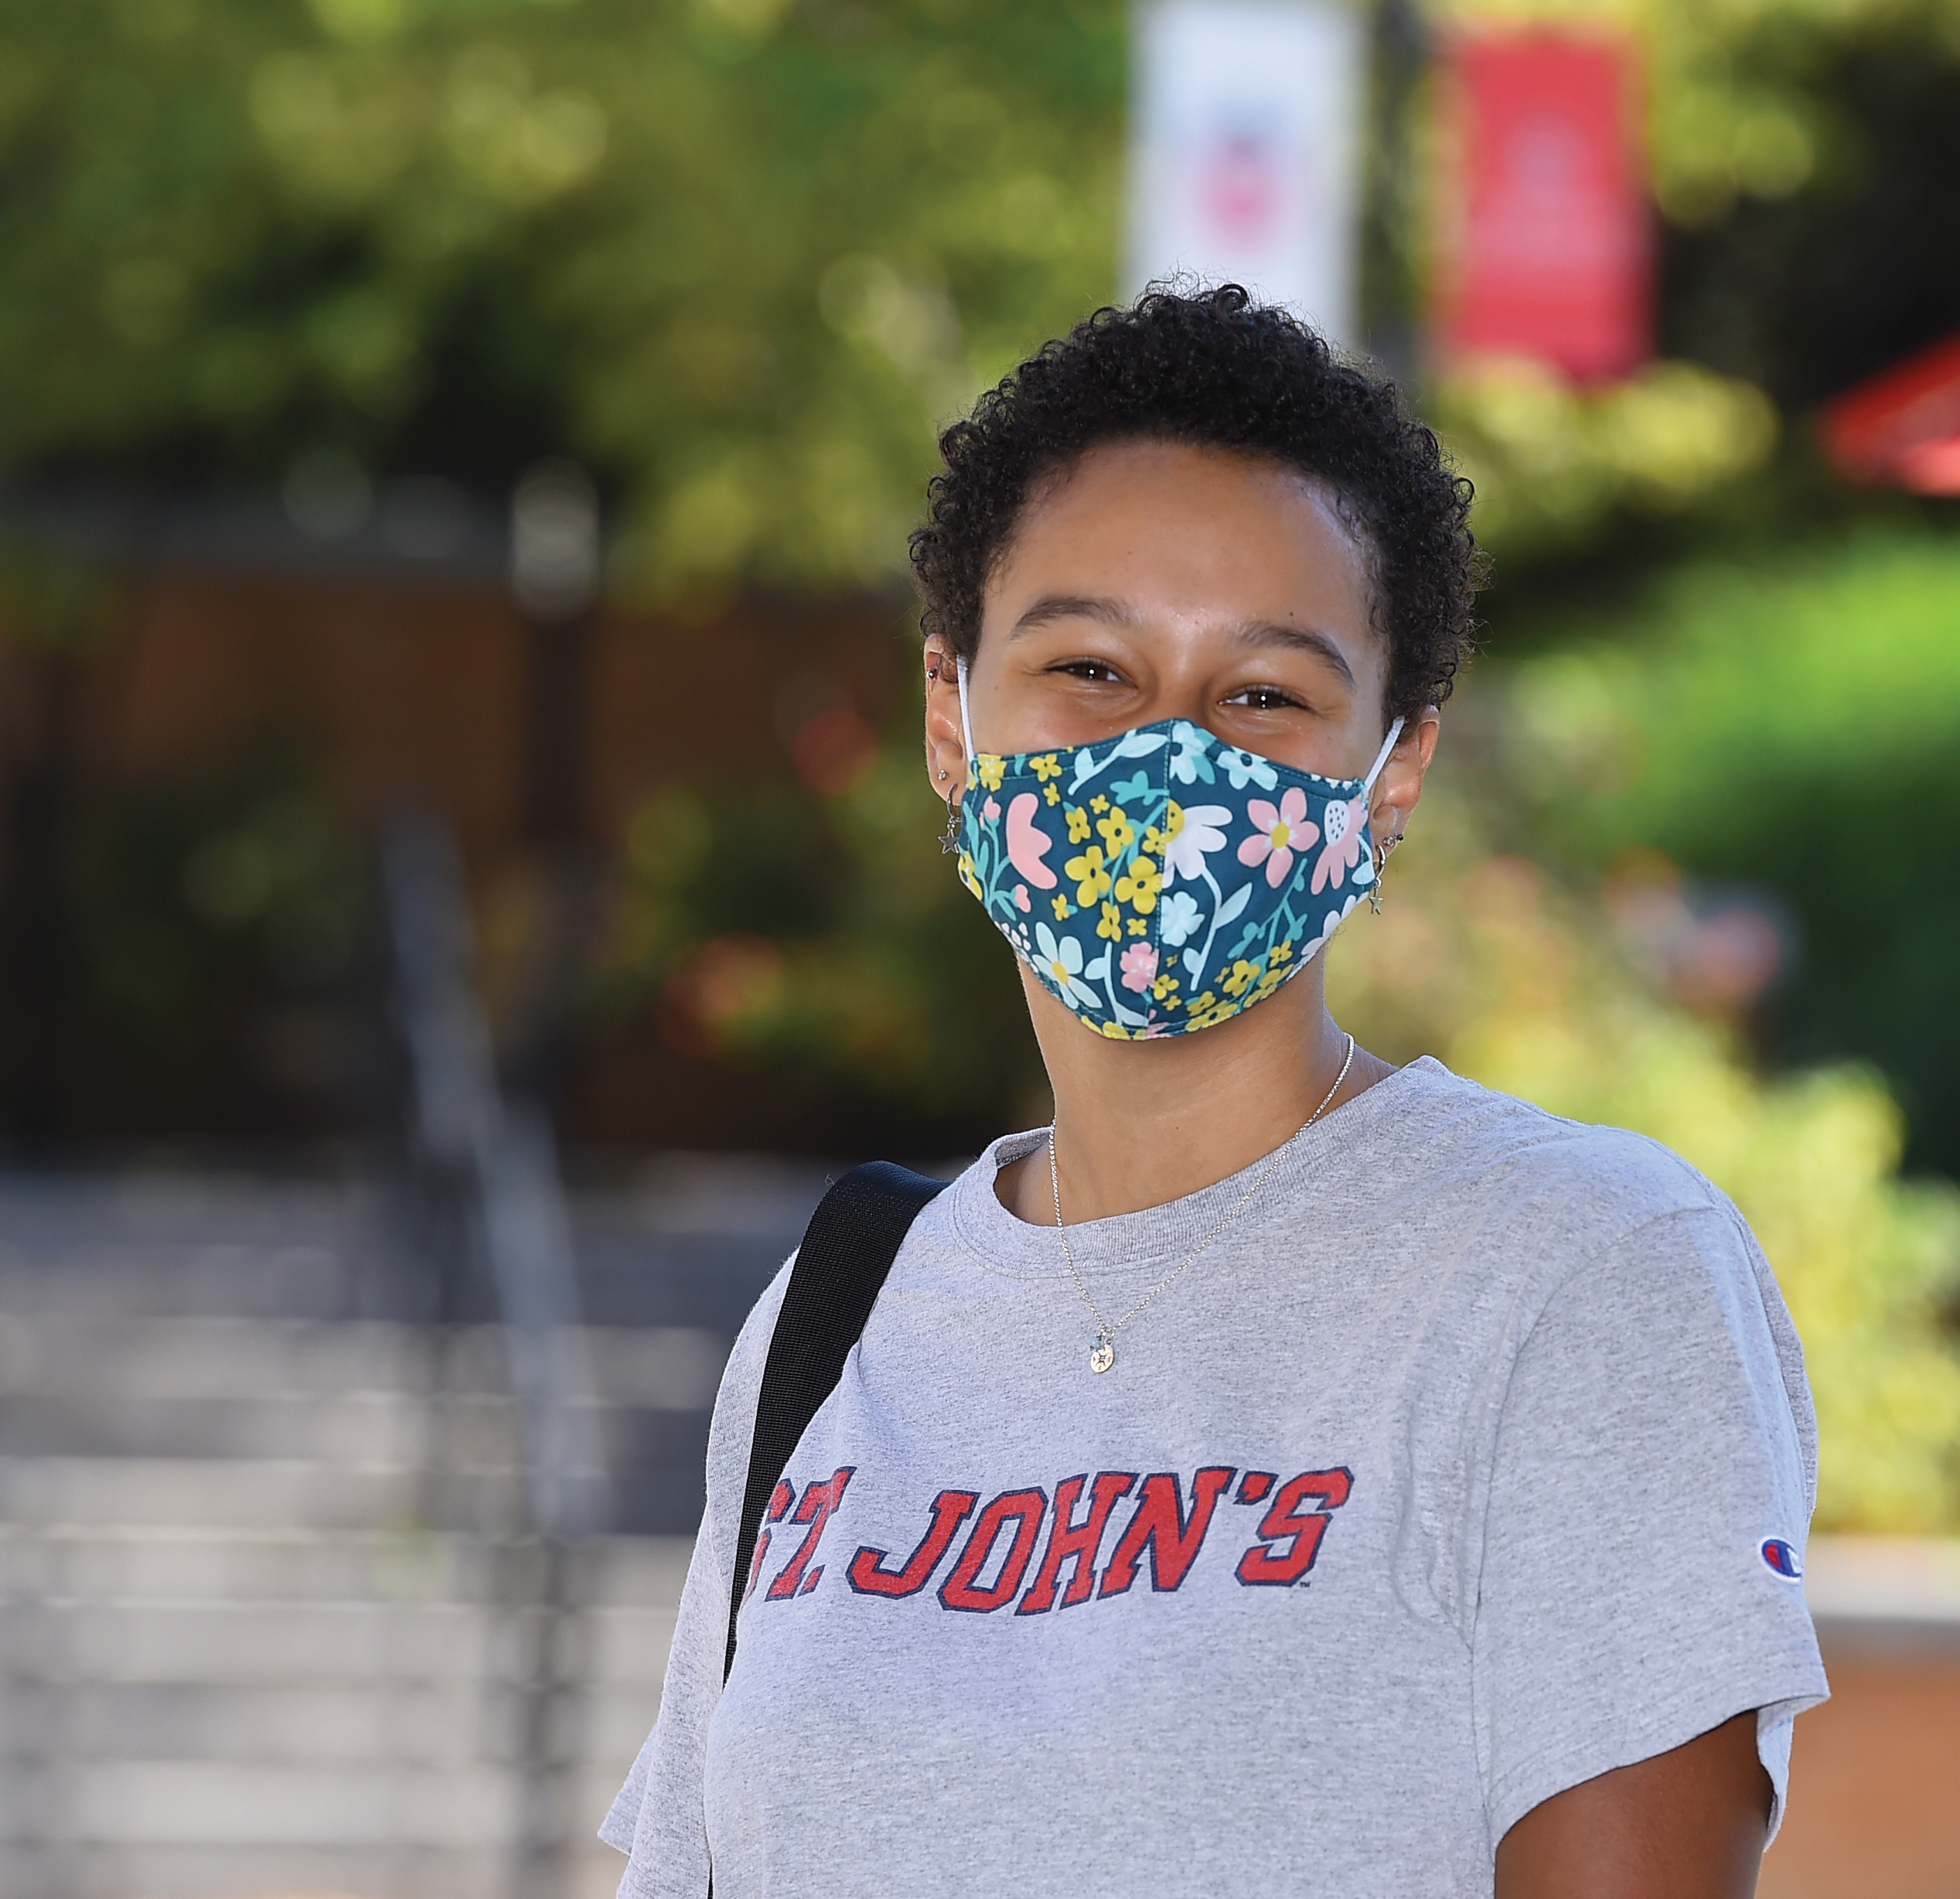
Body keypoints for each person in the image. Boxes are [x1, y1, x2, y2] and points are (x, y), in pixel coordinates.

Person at [602, 285, 1826, 1898]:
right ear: (954, 724)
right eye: (1090, 668)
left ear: (1390, 777)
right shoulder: (842, 1315)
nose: (1166, 760)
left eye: (1263, 696)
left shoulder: (1583, 1275)